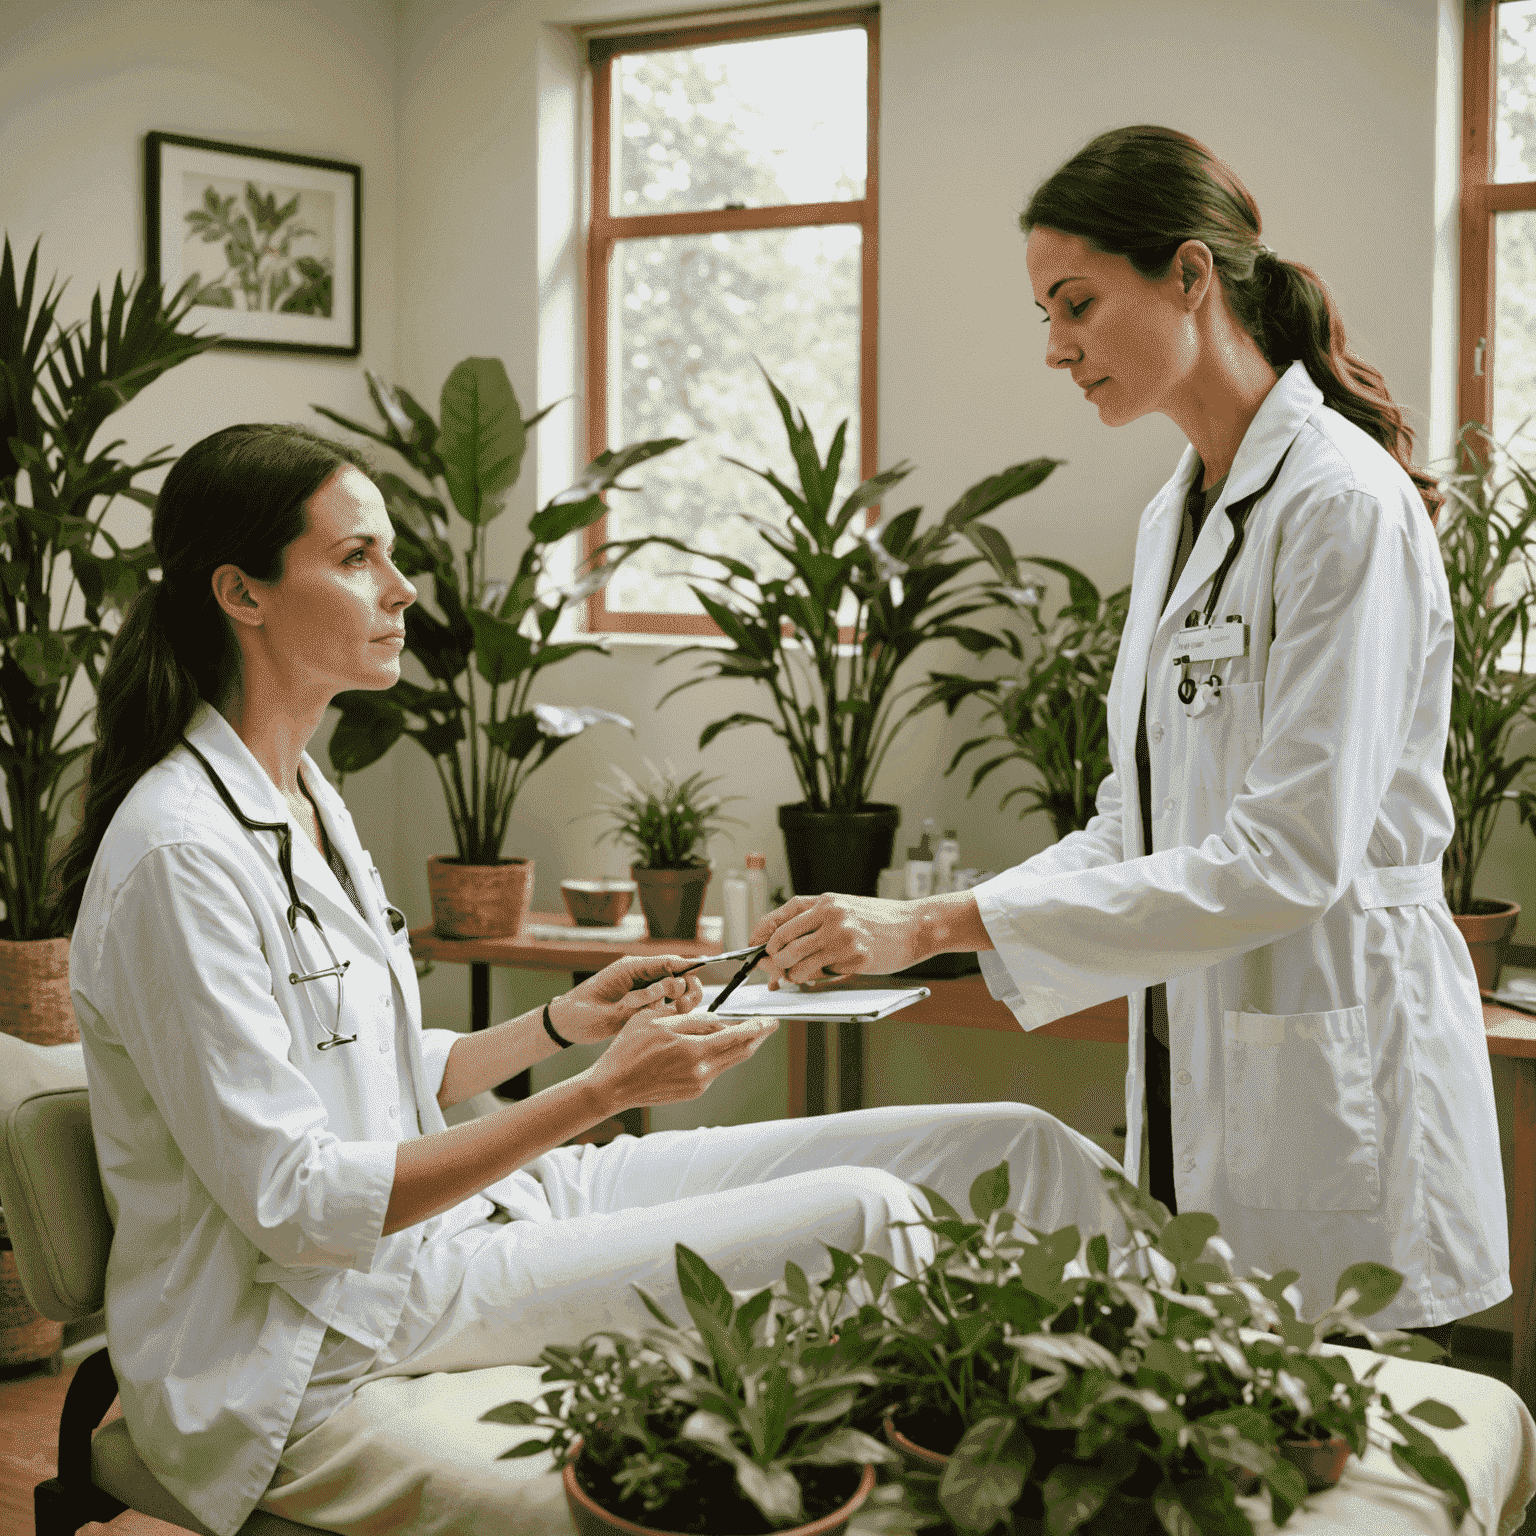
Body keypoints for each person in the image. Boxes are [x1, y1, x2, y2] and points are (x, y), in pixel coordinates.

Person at [54, 422, 1123, 1536]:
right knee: (871, 1215)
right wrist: (605, 1093)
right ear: (244, 592)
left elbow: (360, 1066)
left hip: (461, 1224)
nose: (402, 589)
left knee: (1008, 1140)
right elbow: (299, 1205)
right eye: (358, 557)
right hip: (329, 1318)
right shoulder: (180, 855)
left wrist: (562, 1025)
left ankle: (1202, 1409)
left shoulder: (302, 800)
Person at [753, 125, 1509, 1344]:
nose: (1057, 347)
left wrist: (939, 920)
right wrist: (917, 939)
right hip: (1202, 1053)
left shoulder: (1341, 506)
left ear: (1191, 277)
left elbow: (1289, 858)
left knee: (1334, 1448)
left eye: (1077, 304)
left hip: (1334, 1062)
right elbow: (1134, 822)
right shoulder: (1179, 512)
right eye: (1048, 313)